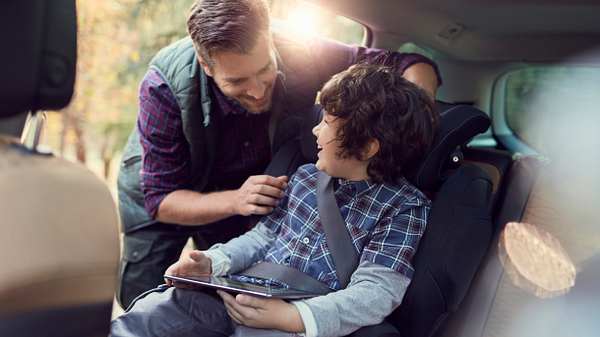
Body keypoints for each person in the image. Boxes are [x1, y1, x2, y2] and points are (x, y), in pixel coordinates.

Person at [116, 0, 442, 308]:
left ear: (270, 40)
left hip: (245, 188)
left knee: (229, 286)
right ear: (206, 65)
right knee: (144, 295)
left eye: (265, 69)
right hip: (166, 197)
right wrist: (234, 200)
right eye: (238, 81)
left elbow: (404, 63)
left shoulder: (301, 50)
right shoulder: (163, 87)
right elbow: (161, 200)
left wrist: (414, 109)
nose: (258, 91)